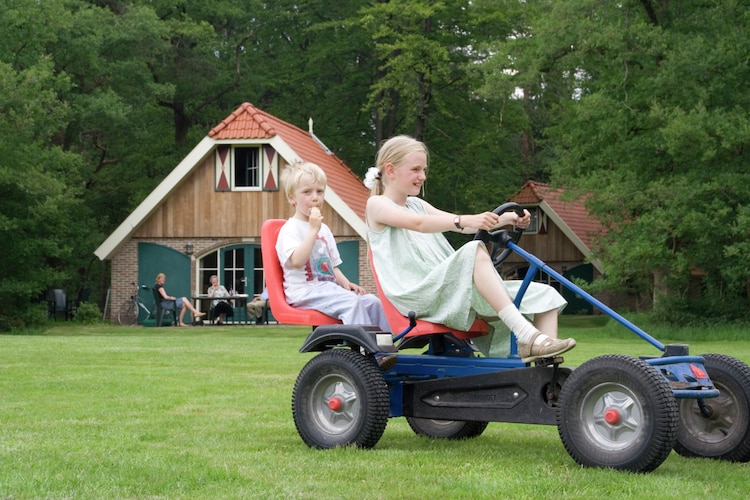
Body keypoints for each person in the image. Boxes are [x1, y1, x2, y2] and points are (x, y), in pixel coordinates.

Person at [365, 135, 575, 362]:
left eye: (424, 169)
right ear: (390, 170)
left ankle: (546, 368)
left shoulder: (417, 204)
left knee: (544, 294)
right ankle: (526, 336)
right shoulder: (377, 205)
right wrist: (464, 220)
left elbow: (462, 226)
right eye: (416, 169)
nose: (422, 176)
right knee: (473, 250)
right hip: (416, 293)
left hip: (444, 288)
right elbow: (421, 224)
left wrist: (507, 219)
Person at [276, 161, 391, 333]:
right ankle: (367, 350)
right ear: (292, 198)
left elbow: (331, 265)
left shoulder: (324, 229)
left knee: (372, 302)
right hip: (304, 292)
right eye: (307, 192)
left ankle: (387, 344)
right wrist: (313, 230)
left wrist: (345, 283)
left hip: (328, 288)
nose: (315, 197)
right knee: (351, 303)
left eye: (320, 192)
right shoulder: (290, 229)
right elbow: (297, 261)